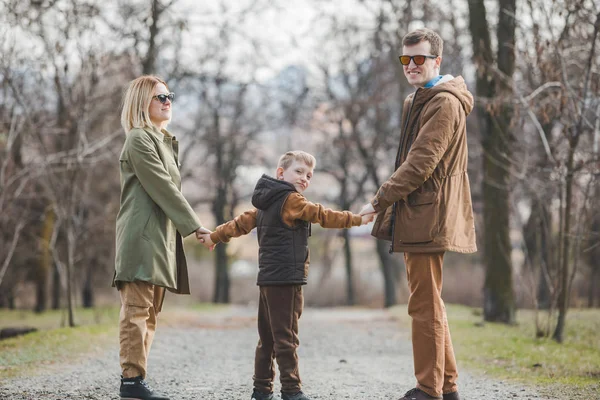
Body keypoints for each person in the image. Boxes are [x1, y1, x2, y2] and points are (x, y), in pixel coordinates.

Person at [198, 151, 374, 400]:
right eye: (299, 172)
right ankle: (291, 390)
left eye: (309, 175)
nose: (305, 179)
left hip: (268, 277)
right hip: (286, 279)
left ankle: (261, 389)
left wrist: (214, 236)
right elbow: (322, 215)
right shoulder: (292, 200)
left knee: (268, 337)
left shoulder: (264, 203)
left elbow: (239, 223)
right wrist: (357, 219)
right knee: (287, 336)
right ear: (281, 173)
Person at [359, 28, 476, 400]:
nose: (411, 65)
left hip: (429, 215)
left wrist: (380, 200)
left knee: (423, 305)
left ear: (437, 61)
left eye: (419, 59)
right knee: (430, 303)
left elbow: (421, 162)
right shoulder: (418, 99)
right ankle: (448, 386)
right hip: (417, 213)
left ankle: (429, 390)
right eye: (405, 59)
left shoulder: (444, 102)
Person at [113, 75, 210, 400]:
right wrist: (196, 226)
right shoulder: (139, 139)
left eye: (169, 96)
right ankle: (131, 381)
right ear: (143, 103)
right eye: (160, 97)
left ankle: (137, 380)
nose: (168, 101)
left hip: (161, 238)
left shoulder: (162, 139)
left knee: (150, 312)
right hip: (141, 238)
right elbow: (162, 187)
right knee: (137, 309)